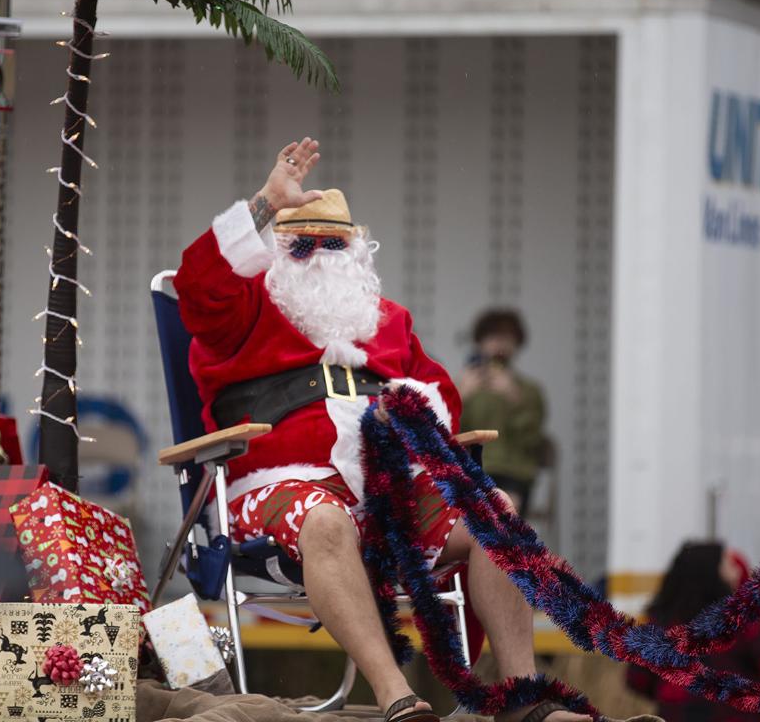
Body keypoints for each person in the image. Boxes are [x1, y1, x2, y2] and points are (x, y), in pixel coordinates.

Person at [175, 137, 591, 722]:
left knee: (493, 506)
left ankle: (522, 698)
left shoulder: (386, 319)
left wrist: (413, 406)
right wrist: (266, 202)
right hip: (283, 484)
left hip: (387, 490)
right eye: (301, 244)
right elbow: (195, 286)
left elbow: (442, 393)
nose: (320, 253)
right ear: (274, 247)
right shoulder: (246, 307)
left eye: (334, 242)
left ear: (356, 250)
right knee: (324, 520)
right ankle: (397, 695)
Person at [626, 541, 760, 722]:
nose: (736, 571)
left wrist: (671, 693)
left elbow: (638, 679)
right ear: (711, 573)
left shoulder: (660, 626)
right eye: (728, 565)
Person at [457, 309, 546, 518]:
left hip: (513, 472)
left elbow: (532, 438)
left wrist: (516, 399)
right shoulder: (466, 384)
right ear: (479, 342)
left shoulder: (529, 390)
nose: (499, 343)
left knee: (503, 507)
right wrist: (459, 396)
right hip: (473, 470)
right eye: (491, 336)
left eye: (507, 336)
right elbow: (448, 434)